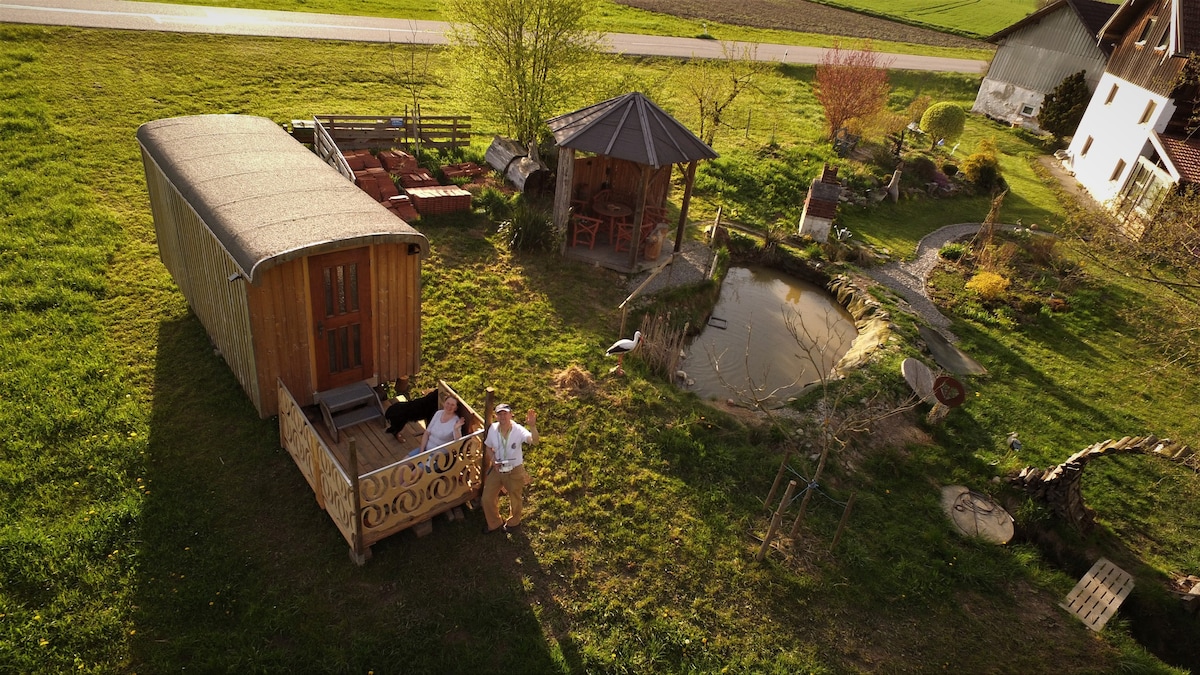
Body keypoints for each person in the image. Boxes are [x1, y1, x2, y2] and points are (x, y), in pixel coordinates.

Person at [481, 403, 538, 534]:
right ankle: (494, 523)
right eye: (499, 414)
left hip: (514, 470)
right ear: (496, 417)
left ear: (511, 414)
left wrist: (533, 426)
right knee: (487, 498)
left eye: (505, 413)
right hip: (497, 468)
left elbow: (534, 441)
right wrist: (493, 460)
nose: (503, 416)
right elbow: (488, 447)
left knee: (515, 497)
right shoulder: (493, 429)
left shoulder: (518, 430)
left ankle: (513, 522)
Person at [408, 395, 464, 470]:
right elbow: (427, 433)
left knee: (415, 473)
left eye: (452, 405)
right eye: (447, 403)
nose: (449, 406)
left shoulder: (456, 421)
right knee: (402, 465)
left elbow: (458, 442)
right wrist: (421, 451)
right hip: (425, 449)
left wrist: (456, 429)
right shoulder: (438, 413)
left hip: (437, 456)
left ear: (456, 408)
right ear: (444, 403)